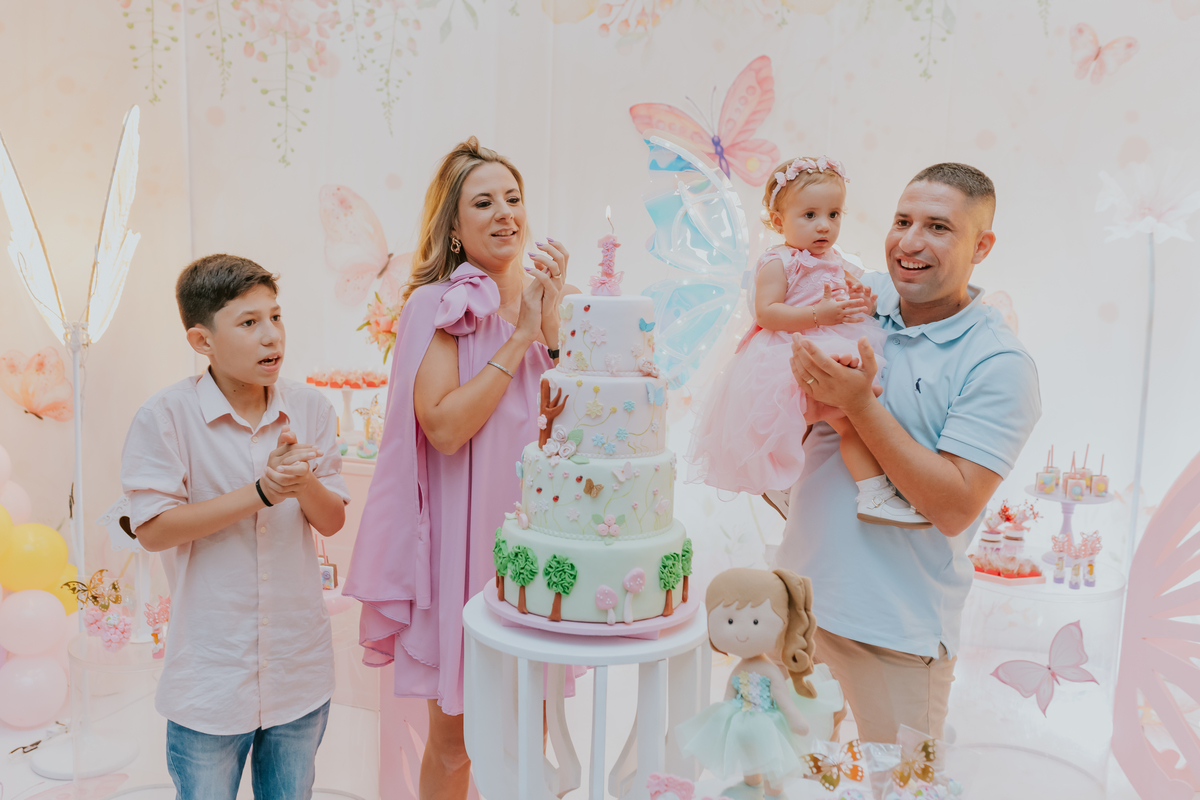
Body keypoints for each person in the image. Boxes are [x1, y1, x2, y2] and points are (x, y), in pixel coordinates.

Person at [343, 137, 579, 800]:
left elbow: (587, 427)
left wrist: (553, 325)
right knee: (455, 744)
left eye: (513, 198)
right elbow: (444, 429)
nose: (505, 212)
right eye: (484, 201)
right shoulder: (436, 308)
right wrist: (522, 335)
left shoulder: (553, 303)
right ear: (452, 226)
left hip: (537, 542)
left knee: (530, 736)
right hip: (464, 549)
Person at [779, 162, 1041, 743]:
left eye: (939, 227)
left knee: (900, 788)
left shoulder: (998, 363)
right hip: (796, 610)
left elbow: (954, 505)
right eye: (902, 220)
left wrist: (860, 409)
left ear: (983, 244)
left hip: (895, 634)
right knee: (781, 782)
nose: (910, 242)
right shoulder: (854, 302)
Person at [120, 254, 350, 800]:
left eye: (275, 317)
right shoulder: (165, 417)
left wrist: (301, 484)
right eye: (249, 323)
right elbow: (153, 530)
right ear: (202, 342)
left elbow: (333, 519)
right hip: (211, 673)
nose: (271, 337)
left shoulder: (310, 407)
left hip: (298, 666)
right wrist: (263, 493)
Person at [688, 156, 930, 528]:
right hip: (785, 354)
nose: (824, 226)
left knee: (850, 419)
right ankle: (783, 486)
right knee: (789, 427)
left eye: (834, 215)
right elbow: (767, 313)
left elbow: (854, 301)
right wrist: (821, 314)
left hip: (829, 343)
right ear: (779, 219)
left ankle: (873, 493)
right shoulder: (778, 262)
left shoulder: (838, 261)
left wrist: (860, 302)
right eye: (810, 215)